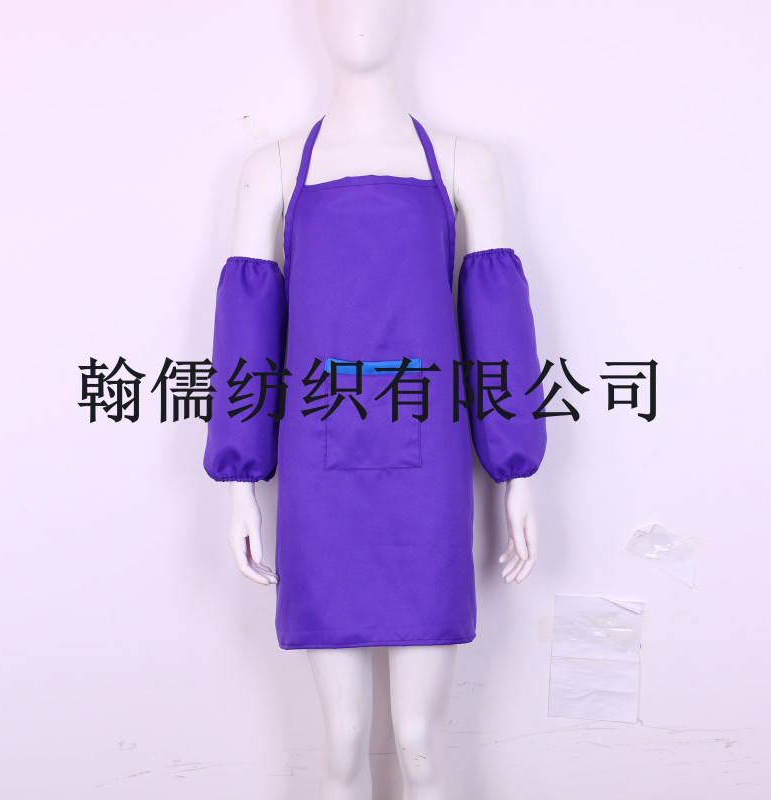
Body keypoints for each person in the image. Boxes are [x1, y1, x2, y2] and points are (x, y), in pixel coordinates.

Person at [204, 1, 547, 797]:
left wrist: (517, 470)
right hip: (318, 484)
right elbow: (247, 333)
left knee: (422, 743)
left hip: (428, 479)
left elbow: (498, 325)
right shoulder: (272, 167)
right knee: (343, 740)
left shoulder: (464, 161)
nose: (360, 15)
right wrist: (238, 481)